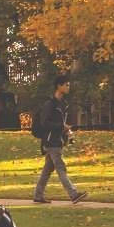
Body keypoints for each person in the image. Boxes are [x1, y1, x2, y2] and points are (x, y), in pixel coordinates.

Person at [33, 74, 87, 204]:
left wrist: (66, 131)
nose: (68, 87)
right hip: (51, 141)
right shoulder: (50, 104)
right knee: (60, 167)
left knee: (48, 169)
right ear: (59, 86)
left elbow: (60, 123)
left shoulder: (63, 104)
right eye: (66, 85)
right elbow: (44, 123)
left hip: (58, 140)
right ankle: (73, 194)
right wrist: (61, 126)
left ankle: (38, 195)